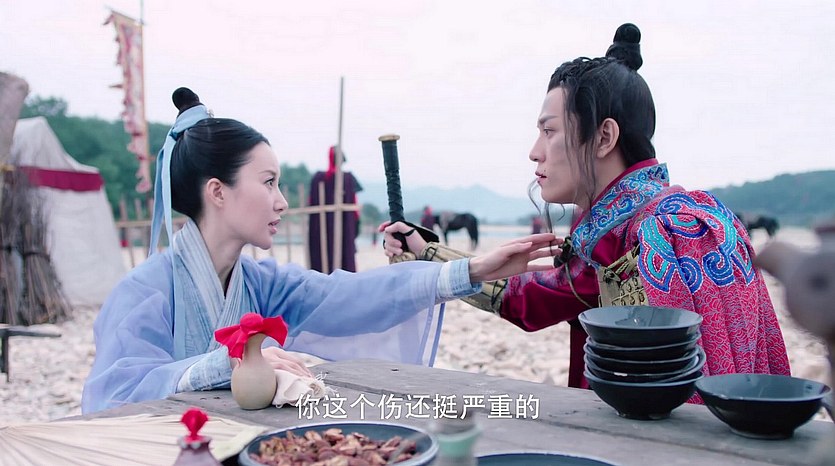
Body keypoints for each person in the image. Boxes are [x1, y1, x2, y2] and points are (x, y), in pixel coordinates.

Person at [81, 88, 558, 414]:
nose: (282, 201)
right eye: (268, 182)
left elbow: (351, 296)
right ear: (218, 192)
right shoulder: (144, 292)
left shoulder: (262, 283)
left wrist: (469, 270)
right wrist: (222, 364)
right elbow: (112, 396)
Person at [383, 23, 790, 395]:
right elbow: (534, 298)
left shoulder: (636, 235)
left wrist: (426, 252)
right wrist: (426, 250)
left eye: (549, 131)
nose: (534, 152)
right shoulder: (663, 218)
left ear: (604, 138)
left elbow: (527, 301)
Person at [308, 146, 363, 273]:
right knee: (344, 254)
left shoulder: (318, 178)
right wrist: (355, 227)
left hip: (321, 229)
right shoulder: (348, 178)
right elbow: (355, 208)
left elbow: (310, 202)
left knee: (323, 256)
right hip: (344, 228)